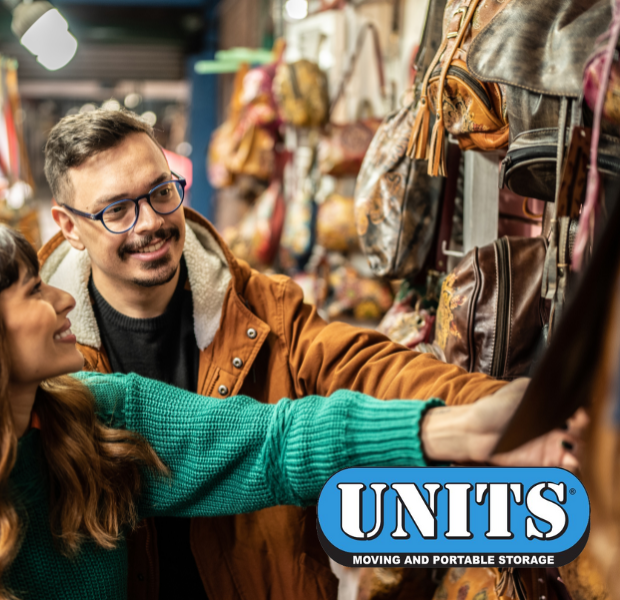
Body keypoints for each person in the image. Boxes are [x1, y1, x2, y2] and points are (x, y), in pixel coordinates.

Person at [0, 222, 579, 600]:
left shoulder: (96, 417)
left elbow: (276, 440)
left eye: (164, 191)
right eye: (31, 292)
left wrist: (469, 425)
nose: (62, 299)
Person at [40, 109, 570, 599]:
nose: (151, 222)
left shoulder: (260, 310)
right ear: (69, 227)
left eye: (161, 192)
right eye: (117, 210)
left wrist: (512, 412)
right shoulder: (47, 361)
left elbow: (367, 368)